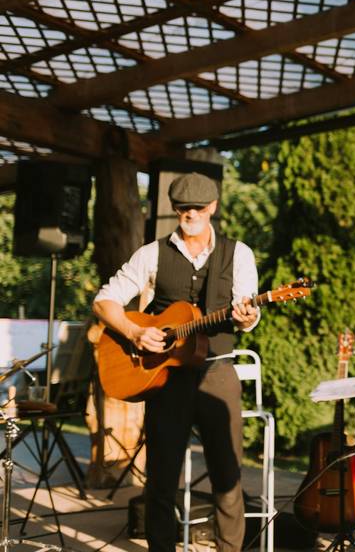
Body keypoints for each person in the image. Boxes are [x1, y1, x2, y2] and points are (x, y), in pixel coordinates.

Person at [93, 172, 260, 552]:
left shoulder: (240, 254)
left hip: (217, 371)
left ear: (213, 207)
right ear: (174, 209)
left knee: (228, 476)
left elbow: (248, 311)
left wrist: (249, 316)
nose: (191, 214)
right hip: (166, 379)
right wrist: (135, 333)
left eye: (198, 208)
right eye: (183, 208)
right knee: (161, 479)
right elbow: (104, 300)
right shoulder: (150, 254)